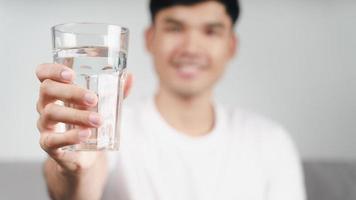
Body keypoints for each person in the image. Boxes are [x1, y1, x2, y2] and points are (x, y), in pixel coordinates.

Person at [35, 0, 306, 199]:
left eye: (211, 31)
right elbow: (74, 191)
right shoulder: (107, 126)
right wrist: (74, 171)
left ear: (231, 45)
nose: (190, 48)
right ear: (150, 39)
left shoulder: (271, 142)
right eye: (175, 28)